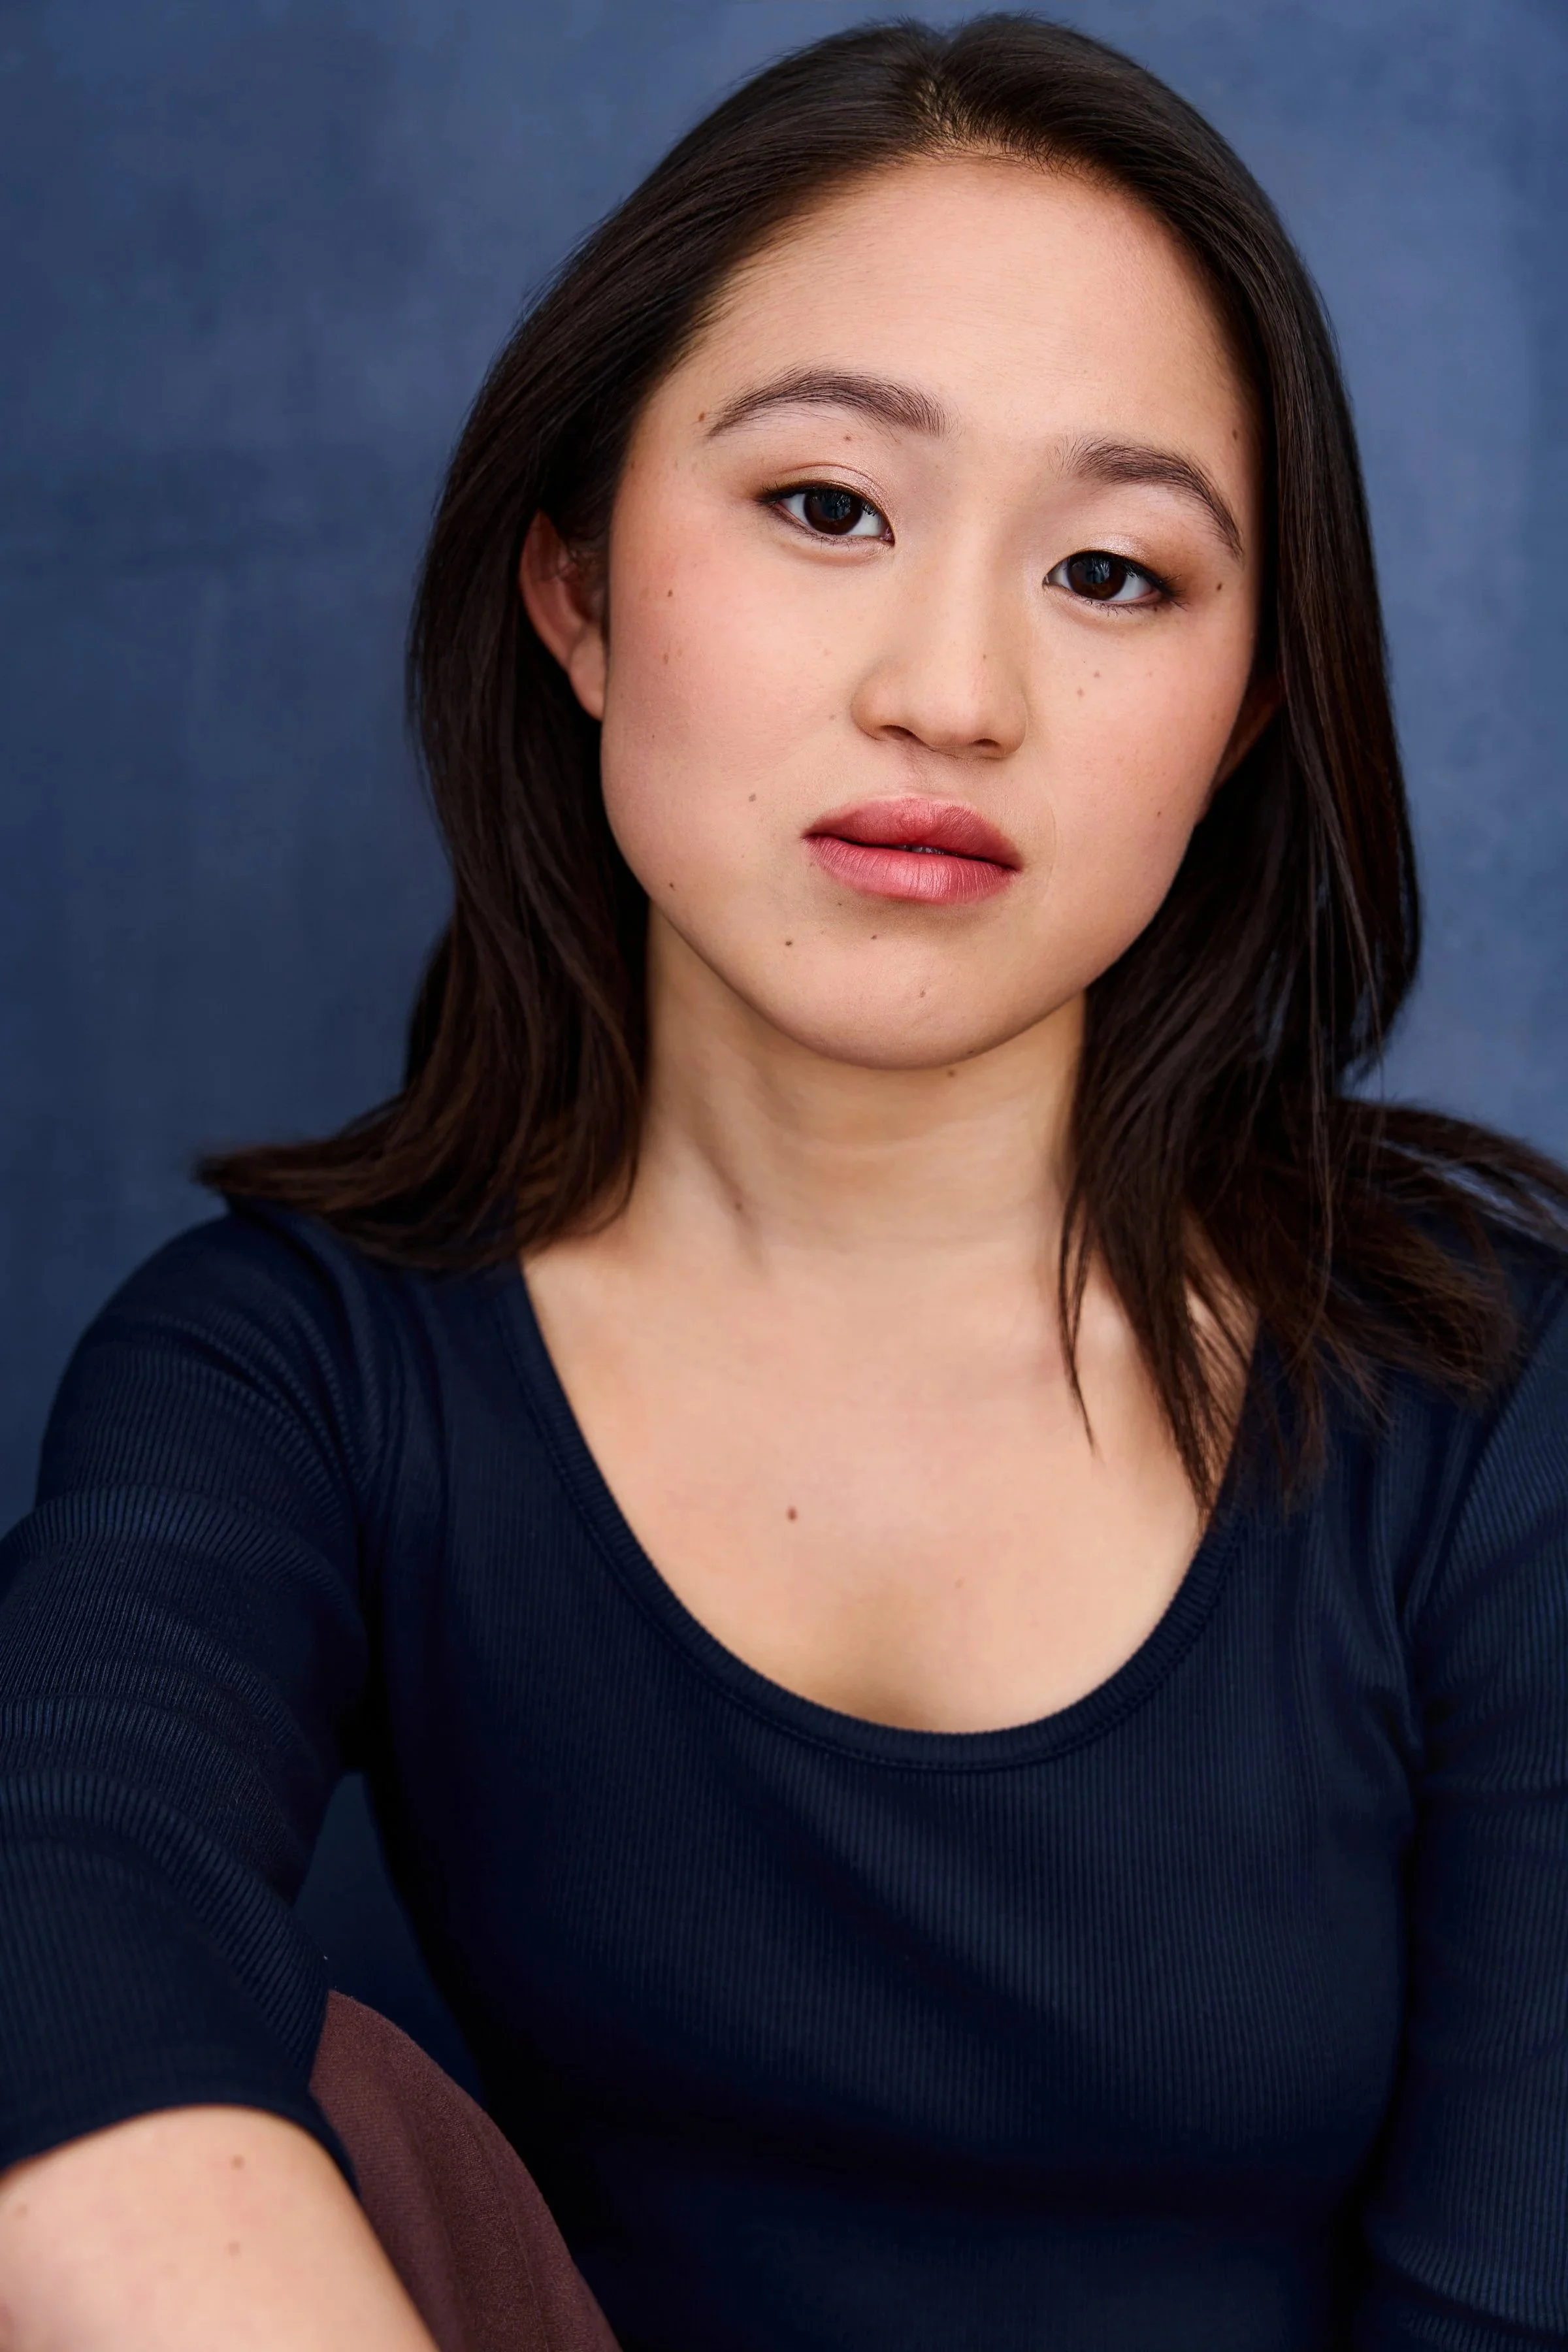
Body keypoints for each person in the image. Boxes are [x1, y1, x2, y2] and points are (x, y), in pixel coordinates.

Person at [1, 14, 1565, 2350]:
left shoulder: (1485, 1409)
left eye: (1113, 572)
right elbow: (61, 1916)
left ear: (1246, 718)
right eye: (829, 508)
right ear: (574, 590)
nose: (953, 693)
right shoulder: (300, 1370)